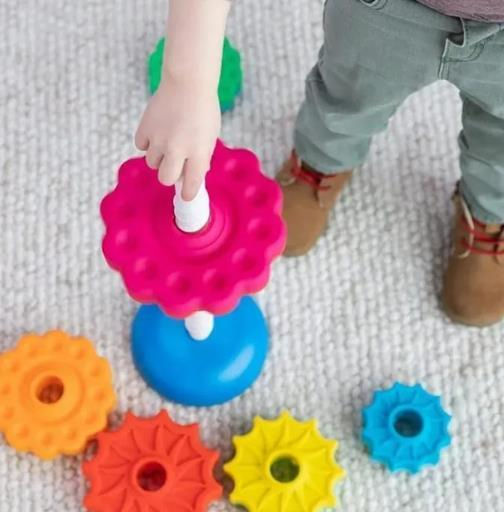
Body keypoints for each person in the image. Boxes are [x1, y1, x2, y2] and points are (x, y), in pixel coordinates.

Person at [135, 0, 504, 327]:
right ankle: (320, 164)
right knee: (345, 101)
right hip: (386, 10)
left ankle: (488, 212)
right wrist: (186, 80)